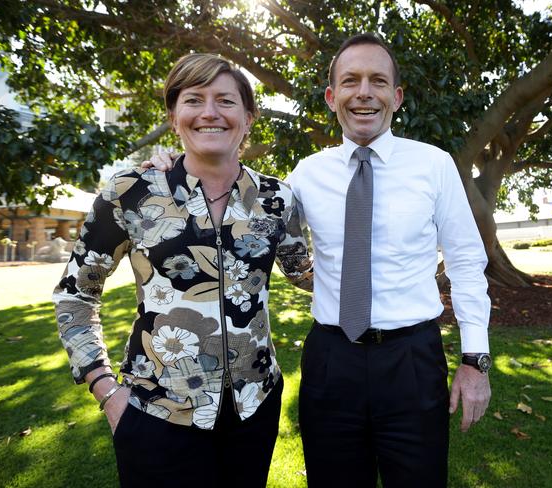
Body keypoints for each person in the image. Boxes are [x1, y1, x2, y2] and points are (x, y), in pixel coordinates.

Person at [147, 33, 492, 488]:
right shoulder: (305, 175)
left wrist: (475, 361)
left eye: (378, 81)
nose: (364, 92)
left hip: (412, 362)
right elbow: (246, 202)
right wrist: (180, 165)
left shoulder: (435, 165)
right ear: (332, 97)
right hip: (332, 363)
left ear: (396, 96)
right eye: (350, 81)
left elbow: (467, 262)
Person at [52, 53, 312, 488]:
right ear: (174, 117)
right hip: (157, 414)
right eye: (194, 100)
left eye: (226, 101)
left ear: (248, 118)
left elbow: (305, 273)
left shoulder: (276, 198)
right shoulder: (130, 192)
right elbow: (76, 295)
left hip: (255, 408)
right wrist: (105, 390)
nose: (210, 112)